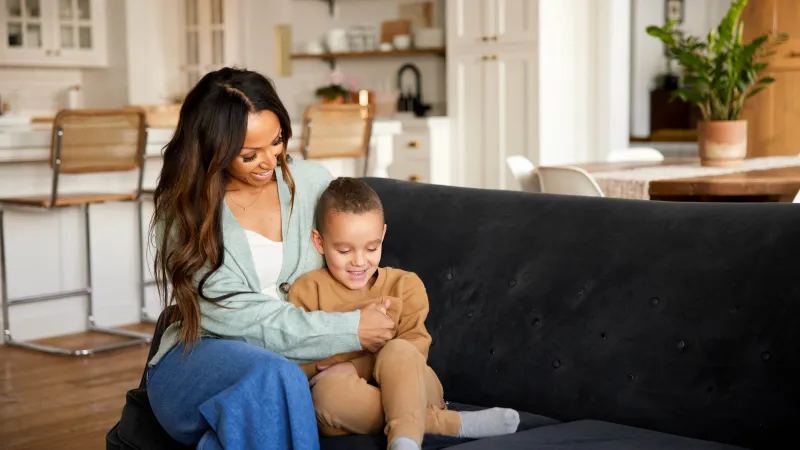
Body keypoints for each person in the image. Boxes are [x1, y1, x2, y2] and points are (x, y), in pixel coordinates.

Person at [144, 67, 396, 450]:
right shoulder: (185, 211)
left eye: (276, 142)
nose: (269, 161)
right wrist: (347, 330)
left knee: (265, 396)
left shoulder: (313, 184)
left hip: (293, 360)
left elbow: (352, 264)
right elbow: (237, 318)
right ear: (213, 149)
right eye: (248, 154)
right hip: (201, 360)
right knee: (276, 379)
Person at [287, 178, 520, 450]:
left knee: (398, 349)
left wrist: (354, 365)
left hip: (416, 389)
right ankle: (449, 424)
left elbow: (414, 350)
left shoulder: (405, 285)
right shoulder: (307, 289)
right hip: (345, 402)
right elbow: (303, 362)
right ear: (319, 241)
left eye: (372, 248)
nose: (360, 261)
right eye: (344, 250)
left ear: (383, 235)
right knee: (326, 395)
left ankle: (404, 442)